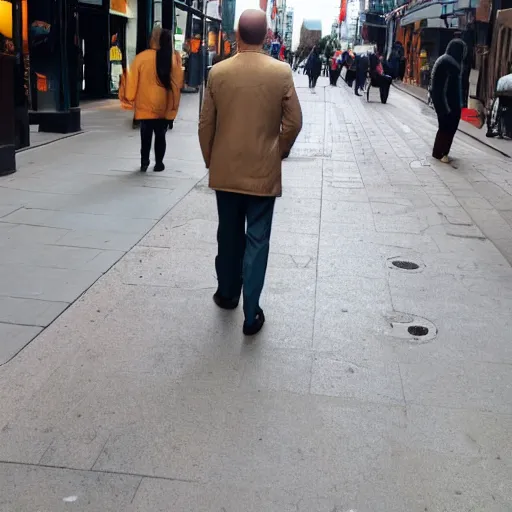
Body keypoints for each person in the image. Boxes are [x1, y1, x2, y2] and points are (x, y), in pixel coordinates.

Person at [198, 8, 303, 335]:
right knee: (258, 239)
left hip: (226, 170)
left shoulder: (218, 72)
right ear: (267, 35)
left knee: (228, 234)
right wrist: (279, 150)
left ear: (237, 35)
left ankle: (227, 293)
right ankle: (251, 313)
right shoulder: (281, 72)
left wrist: (210, 159)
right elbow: (294, 122)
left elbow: (205, 125)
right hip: (262, 172)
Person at [126, 27, 184, 172]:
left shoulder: (141, 57)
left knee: (145, 135)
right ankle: (159, 163)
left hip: (144, 104)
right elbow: (177, 85)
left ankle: (144, 162)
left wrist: (130, 98)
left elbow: (132, 82)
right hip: (163, 105)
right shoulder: (173, 58)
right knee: (160, 135)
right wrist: (174, 107)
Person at [430, 39, 466, 163]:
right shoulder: (449, 64)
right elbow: (444, 88)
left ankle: (441, 152)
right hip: (448, 105)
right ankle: (441, 153)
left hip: (445, 104)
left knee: (445, 128)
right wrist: (446, 108)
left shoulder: (444, 60)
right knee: (447, 128)